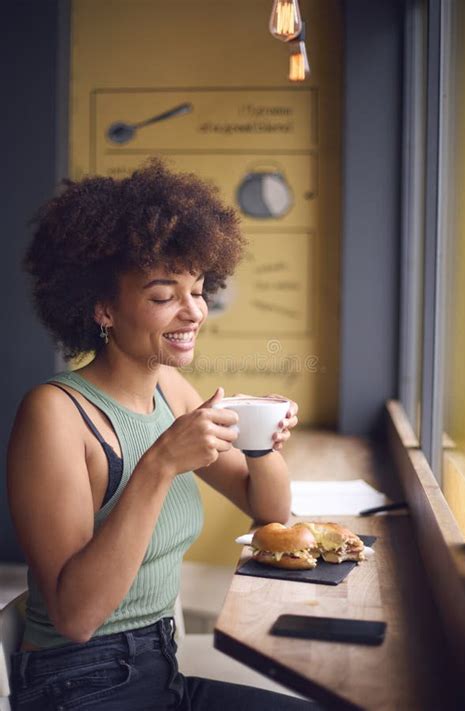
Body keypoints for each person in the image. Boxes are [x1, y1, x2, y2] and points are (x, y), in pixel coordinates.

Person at [7, 159, 322, 710]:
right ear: (102, 309)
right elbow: (77, 618)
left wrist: (261, 442)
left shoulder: (170, 389)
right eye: (163, 296)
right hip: (81, 684)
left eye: (198, 290)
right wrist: (159, 464)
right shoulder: (55, 414)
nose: (193, 311)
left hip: (160, 669)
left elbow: (268, 513)